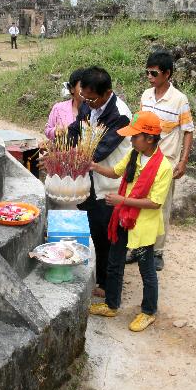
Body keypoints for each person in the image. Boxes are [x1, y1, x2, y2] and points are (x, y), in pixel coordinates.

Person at [87, 111, 173, 333]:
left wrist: (121, 200)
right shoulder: (134, 154)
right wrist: (94, 167)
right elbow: (116, 173)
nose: (131, 140)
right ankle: (112, 304)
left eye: (135, 136)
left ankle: (148, 312)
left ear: (150, 139)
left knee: (146, 269)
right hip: (123, 219)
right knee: (114, 263)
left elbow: (155, 203)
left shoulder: (164, 167)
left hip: (143, 225)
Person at [67, 67, 132, 298]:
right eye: (83, 97)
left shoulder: (120, 115)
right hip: (89, 181)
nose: (87, 103)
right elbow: (76, 129)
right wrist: (61, 141)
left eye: (92, 99)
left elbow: (100, 151)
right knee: (95, 230)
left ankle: (109, 286)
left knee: (109, 237)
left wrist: (68, 159)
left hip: (109, 185)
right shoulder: (87, 102)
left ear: (107, 93)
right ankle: (102, 277)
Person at [135, 51, 194, 271]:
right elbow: (139, 126)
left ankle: (157, 251)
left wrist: (183, 161)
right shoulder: (146, 96)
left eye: (154, 73)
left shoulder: (179, 100)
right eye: (147, 72)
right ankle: (138, 247)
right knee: (139, 202)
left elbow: (188, 131)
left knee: (161, 207)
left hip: (166, 162)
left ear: (167, 74)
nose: (149, 76)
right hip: (144, 158)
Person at [44, 68, 84, 141]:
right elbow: (47, 131)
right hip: (62, 152)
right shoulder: (58, 108)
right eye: (82, 86)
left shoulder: (95, 111)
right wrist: (56, 131)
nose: (87, 90)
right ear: (72, 89)